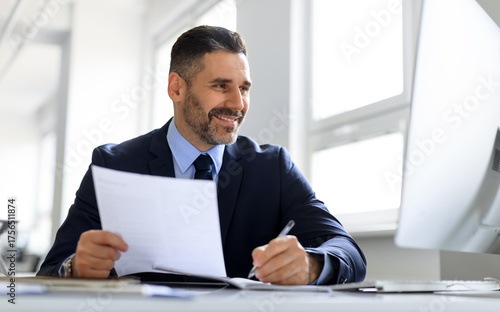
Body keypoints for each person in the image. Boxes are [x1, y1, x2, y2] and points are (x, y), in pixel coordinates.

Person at [37, 25, 366, 285]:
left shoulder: (273, 168)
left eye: (244, 88)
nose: (238, 104)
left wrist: (312, 264)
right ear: (176, 88)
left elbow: (347, 251)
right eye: (221, 86)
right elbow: (50, 271)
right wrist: (76, 266)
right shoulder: (115, 165)